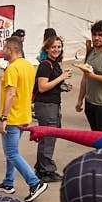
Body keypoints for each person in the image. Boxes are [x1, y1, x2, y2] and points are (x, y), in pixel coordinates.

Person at [0, 37, 49, 202]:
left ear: (11, 50)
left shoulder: (12, 68)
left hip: (12, 117)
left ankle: (34, 183)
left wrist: (3, 118)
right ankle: (8, 182)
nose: (2, 51)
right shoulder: (28, 66)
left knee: (11, 152)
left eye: (4, 48)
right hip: (24, 115)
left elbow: (11, 94)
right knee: (12, 151)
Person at [33, 35, 71, 182]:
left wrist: (63, 87)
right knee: (48, 138)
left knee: (48, 137)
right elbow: (42, 87)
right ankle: (46, 171)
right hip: (46, 105)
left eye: (59, 47)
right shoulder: (45, 65)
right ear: (47, 48)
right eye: (53, 47)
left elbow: (51, 85)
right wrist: (61, 78)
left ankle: (41, 167)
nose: (56, 49)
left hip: (52, 104)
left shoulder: (54, 64)